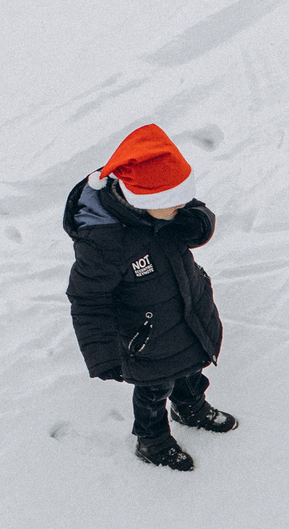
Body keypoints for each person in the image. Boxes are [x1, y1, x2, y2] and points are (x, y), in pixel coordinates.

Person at [63, 124, 238, 469]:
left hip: (188, 312)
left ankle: (190, 407)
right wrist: (103, 355)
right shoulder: (103, 244)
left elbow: (196, 211)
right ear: (142, 200)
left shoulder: (165, 205)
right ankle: (152, 439)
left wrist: (197, 222)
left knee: (191, 368)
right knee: (153, 391)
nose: (181, 206)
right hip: (148, 339)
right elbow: (87, 301)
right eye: (173, 203)